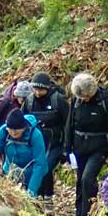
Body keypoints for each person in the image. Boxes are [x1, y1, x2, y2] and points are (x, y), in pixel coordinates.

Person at [64, 73, 108, 216]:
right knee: (80, 180)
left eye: (85, 97)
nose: (83, 99)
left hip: (98, 148)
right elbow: (70, 124)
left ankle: (88, 214)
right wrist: (66, 147)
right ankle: (78, 214)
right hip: (79, 147)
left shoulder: (104, 102)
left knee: (87, 178)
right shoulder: (76, 101)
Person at [22, 72, 69, 205]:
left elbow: (69, 122)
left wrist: (67, 147)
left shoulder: (58, 100)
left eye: (41, 89)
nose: (37, 93)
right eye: (35, 89)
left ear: (47, 88)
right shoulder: (29, 101)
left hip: (55, 143)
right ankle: (36, 198)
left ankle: (48, 198)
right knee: (34, 168)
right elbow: (22, 120)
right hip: (35, 142)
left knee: (46, 167)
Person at [0, 108, 48, 198]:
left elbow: (39, 164)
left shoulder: (35, 135)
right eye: (10, 130)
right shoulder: (4, 130)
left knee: (31, 203)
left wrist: (31, 192)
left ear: (24, 128)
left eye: (16, 131)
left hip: (32, 175)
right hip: (11, 172)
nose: (13, 133)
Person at [0, 80, 33, 147]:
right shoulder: (5, 101)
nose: (25, 101)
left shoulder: (26, 104)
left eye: (27, 98)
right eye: (23, 98)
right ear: (17, 95)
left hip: (13, 136)